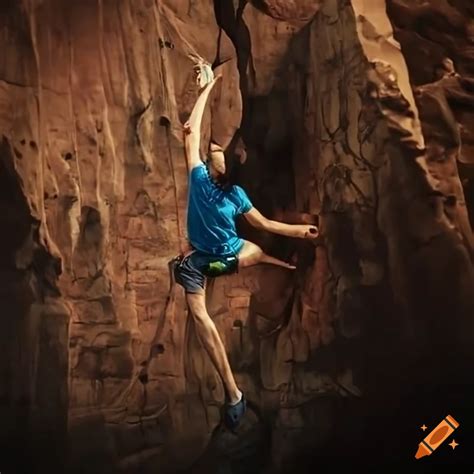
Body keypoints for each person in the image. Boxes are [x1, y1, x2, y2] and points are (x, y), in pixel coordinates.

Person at [172, 75, 318, 430]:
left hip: (205, 260)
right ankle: (276, 260)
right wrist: (302, 231)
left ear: (219, 168)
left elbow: (191, 131)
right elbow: (266, 225)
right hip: (230, 258)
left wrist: (209, 84)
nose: (213, 153)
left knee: (199, 307)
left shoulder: (199, 179)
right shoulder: (235, 195)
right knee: (253, 251)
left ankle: (232, 393)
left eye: (217, 154)